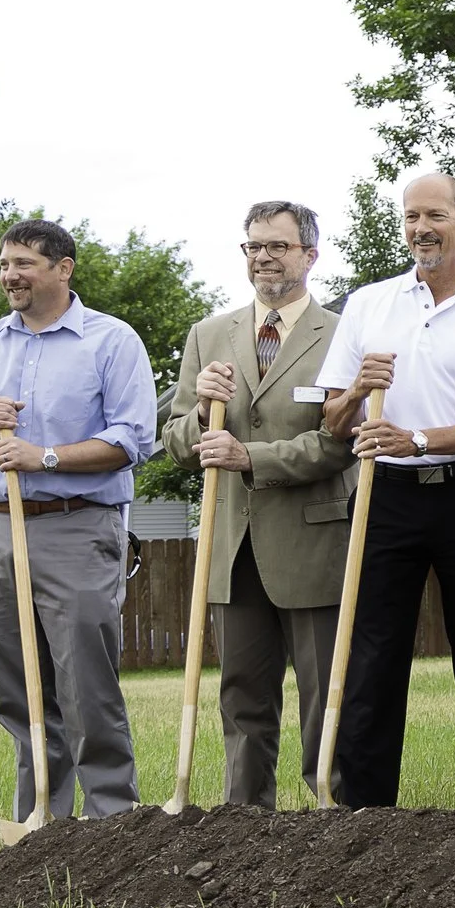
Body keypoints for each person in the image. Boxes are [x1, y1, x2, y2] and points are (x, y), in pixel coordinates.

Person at [0, 219, 156, 823]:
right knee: (15, 684)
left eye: (25, 263)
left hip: (76, 526)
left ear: (63, 268)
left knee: (85, 681)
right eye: (5, 264)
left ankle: (112, 821)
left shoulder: (111, 341)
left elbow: (132, 440)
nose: (10, 275)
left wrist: (43, 456)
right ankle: (41, 826)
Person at [315, 172, 455, 811]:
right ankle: (365, 812)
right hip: (385, 498)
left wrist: (416, 438)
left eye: (434, 215)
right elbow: (332, 421)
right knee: (372, 656)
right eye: (411, 217)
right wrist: (355, 390)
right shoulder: (369, 304)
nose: (420, 229)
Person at [162, 200, 357, 807]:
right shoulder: (209, 334)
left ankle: (335, 814)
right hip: (232, 544)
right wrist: (197, 411)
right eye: (254, 246)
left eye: (278, 246)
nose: (264, 257)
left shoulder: (343, 334)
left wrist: (254, 458)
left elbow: (340, 443)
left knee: (326, 692)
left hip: (315, 541)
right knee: (242, 692)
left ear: (310, 255)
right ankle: (246, 824)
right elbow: (173, 442)